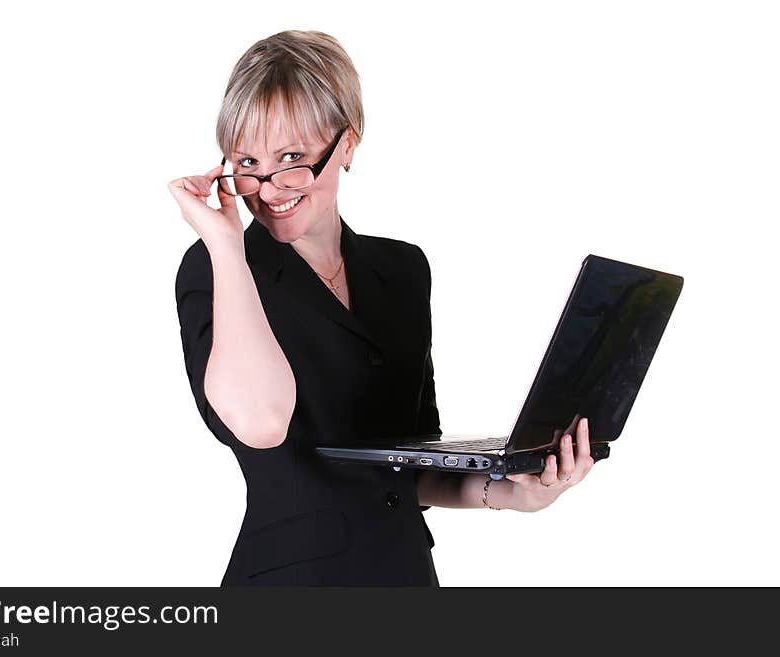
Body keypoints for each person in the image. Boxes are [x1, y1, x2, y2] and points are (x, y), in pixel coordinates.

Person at [168, 30, 595, 586]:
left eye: (293, 157)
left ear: (347, 143)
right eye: (248, 161)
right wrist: (224, 243)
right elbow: (261, 423)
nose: (269, 187)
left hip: (404, 576)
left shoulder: (402, 271)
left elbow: (412, 466)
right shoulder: (215, 270)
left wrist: (514, 492)